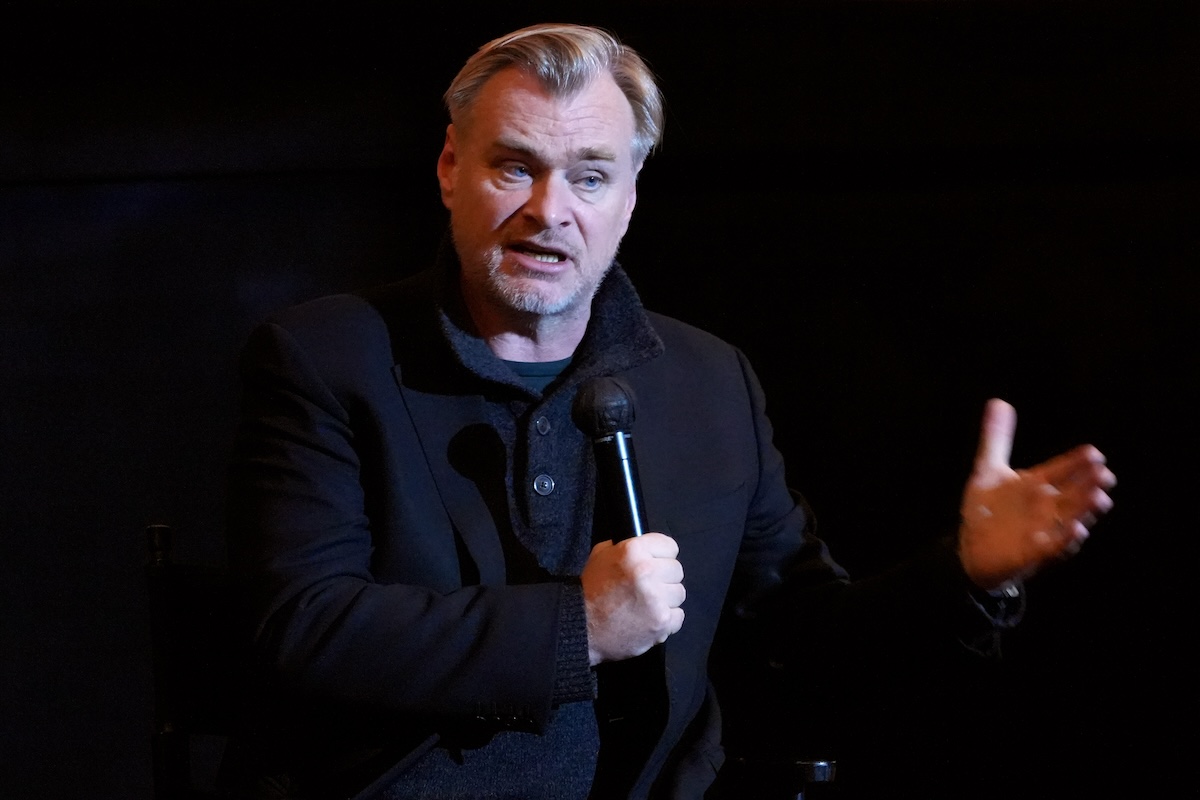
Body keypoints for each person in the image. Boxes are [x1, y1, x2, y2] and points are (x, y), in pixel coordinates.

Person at [221, 22, 1116, 800]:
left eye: (590, 176)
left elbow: (806, 642)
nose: (548, 212)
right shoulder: (328, 358)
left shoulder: (706, 381)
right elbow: (304, 627)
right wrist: (579, 628)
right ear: (452, 168)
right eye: (514, 167)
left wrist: (964, 576)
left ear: (632, 196)